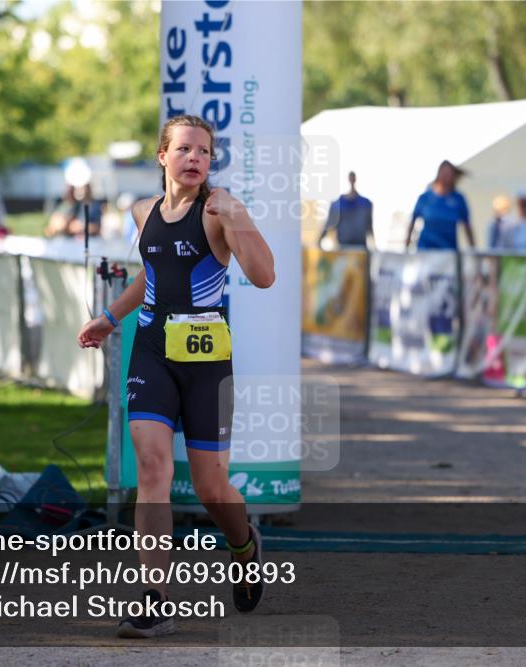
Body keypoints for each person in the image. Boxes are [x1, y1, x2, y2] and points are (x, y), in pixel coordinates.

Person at [77, 115, 275, 638]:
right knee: (153, 469)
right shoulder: (145, 212)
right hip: (151, 353)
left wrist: (240, 216)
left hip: (207, 361)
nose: (195, 159)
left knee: (211, 489)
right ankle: (155, 597)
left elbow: (264, 275)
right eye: (185, 149)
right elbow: (153, 274)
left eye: (204, 152)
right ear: (162, 156)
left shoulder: (218, 211)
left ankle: (243, 544)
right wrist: (110, 317)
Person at [405, 160, 475, 251]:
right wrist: (406, 247)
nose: (446, 176)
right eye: (444, 173)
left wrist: (473, 250)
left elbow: (467, 226)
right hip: (425, 250)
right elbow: (412, 221)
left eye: (449, 174)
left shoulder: (458, 199)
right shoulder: (425, 198)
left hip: (448, 252)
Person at [319, 171, 374, 250]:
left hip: (361, 249)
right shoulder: (338, 204)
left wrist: (374, 247)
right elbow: (329, 224)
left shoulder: (365, 203)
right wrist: (319, 242)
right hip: (343, 248)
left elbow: (369, 227)